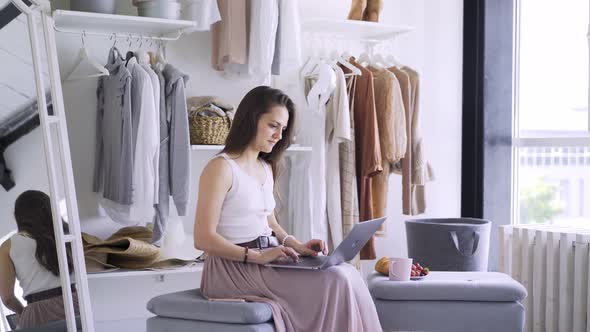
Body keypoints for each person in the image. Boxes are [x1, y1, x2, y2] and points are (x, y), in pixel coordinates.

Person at [194, 86, 382, 332]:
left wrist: (296, 245)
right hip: (231, 268)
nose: (278, 136)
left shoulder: (264, 167)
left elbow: (269, 223)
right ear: (251, 119)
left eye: (282, 129)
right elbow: (203, 238)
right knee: (335, 280)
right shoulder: (220, 168)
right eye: (273, 126)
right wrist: (257, 257)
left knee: (347, 272)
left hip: (265, 258)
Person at [0, 190, 78, 329]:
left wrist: (23, 313)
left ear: (18, 216)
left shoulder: (7, 247)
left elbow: (7, 298)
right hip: (75, 304)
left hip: (37, 314)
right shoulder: (66, 234)